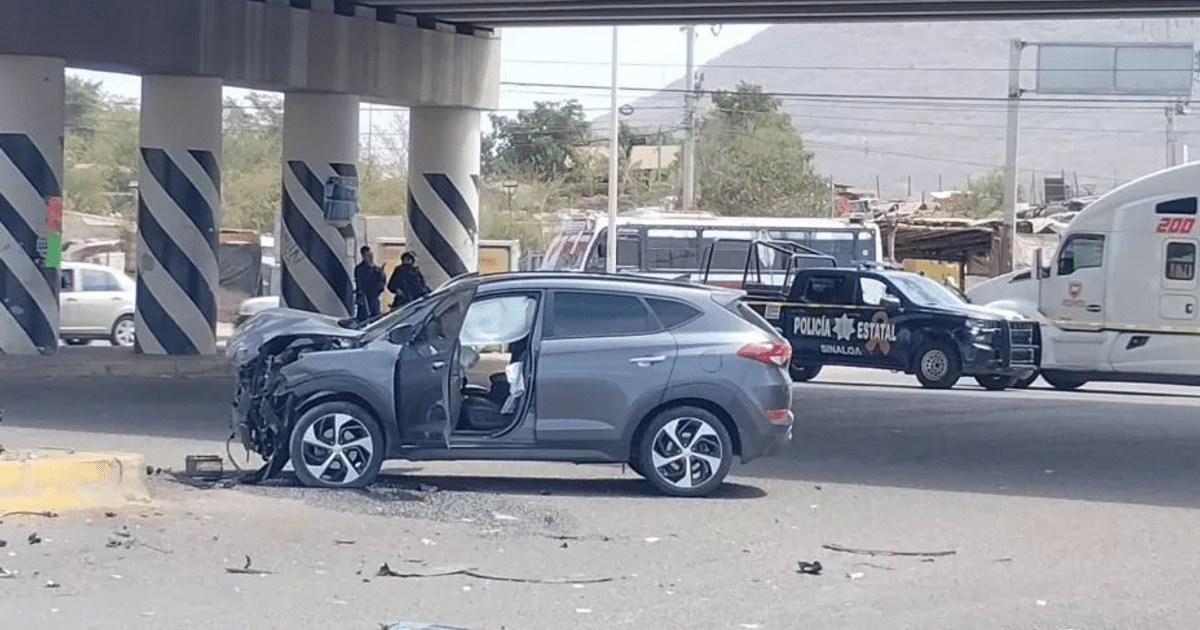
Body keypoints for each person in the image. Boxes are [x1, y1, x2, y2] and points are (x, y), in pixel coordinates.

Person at [353, 245, 385, 322]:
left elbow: (381, 282)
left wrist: (381, 273)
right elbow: (361, 281)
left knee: (375, 318)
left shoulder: (376, 269)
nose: (369, 257)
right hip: (364, 297)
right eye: (367, 255)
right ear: (363, 256)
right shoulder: (360, 268)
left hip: (373, 297)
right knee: (363, 317)